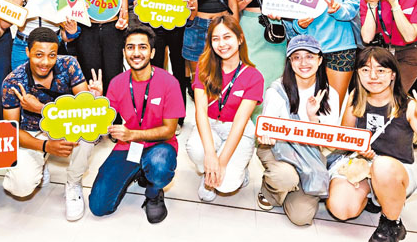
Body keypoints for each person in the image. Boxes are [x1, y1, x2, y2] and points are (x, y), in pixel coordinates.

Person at [326, 47, 417, 242]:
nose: (373, 76)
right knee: (341, 208)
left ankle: (392, 221)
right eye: (365, 70)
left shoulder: (407, 105)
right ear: (358, 74)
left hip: (395, 169)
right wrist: (358, 148)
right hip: (363, 165)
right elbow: (346, 138)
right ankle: (375, 196)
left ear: (393, 74)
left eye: (380, 70)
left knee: (382, 166)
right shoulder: (355, 97)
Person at [0, 28, 103, 221]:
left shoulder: (69, 64)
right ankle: (40, 162)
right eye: (38, 55)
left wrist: (93, 98)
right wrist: (46, 146)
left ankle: (73, 184)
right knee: (20, 187)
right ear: (28, 52)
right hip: (32, 132)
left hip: (64, 123)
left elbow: (84, 111)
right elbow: (10, 132)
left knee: (89, 132)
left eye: (52, 55)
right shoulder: (13, 82)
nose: (45, 62)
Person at [88, 26, 185, 223]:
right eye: (130, 48)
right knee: (98, 206)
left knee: (159, 164)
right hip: (128, 146)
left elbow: (169, 130)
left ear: (152, 52)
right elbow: (102, 124)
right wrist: (96, 102)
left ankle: (153, 191)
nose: (136, 53)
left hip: (160, 145)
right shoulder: (116, 83)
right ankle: (138, 170)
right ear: (124, 52)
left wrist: (132, 134)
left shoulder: (169, 83)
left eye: (142, 47)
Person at [255, 34, 341, 225]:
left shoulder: (330, 94)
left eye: (310, 56)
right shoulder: (277, 91)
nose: (303, 62)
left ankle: (295, 185)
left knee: (301, 218)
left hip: (311, 153)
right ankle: (271, 190)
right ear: (289, 62)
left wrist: (313, 119)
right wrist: (265, 135)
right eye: (297, 57)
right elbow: (265, 131)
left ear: (320, 60)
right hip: (278, 150)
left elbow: (328, 142)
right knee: (285, 177)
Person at [186, 16, 264, 201]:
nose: (221, 44)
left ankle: (238, 168)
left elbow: (239, 123)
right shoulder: (204, 68)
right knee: (196, 149)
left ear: (240, 38)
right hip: (210, 124)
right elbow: (201, 112)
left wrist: (221, 163)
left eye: (227, 37)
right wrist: (211, 156)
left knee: (227, 184)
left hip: (237, 129)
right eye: (215, 38)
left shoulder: (254, 77)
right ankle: (208, 173)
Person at [284, 0, 360, 106]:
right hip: (308, 52)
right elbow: (290, 29)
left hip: (340, 49)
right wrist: (300, 25)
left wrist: (339, 10)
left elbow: (354, 1)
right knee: (309, 105)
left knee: (333, 106)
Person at [127, 0, 187, 106]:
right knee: (156, 71)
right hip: (152, 31)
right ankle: (158, 110)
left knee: (178, 68)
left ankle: (179, 112)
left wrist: (183, 2)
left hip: (174, 28)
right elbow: (135, 6)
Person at [74, 0, 128, 96]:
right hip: (87, 33)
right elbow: (74, 14)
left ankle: (114, 116)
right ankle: (93, 116)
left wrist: (122, 22)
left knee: (113, 76)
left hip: (113, 34)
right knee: (90, 76)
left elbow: (123, 13)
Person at [235, 0, 286, 101]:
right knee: (253, 74)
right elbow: (234, 7)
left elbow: (289, 7)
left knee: (276, 74)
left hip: (274, 30)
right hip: (249, 30)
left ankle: (271, 118)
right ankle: (253, 120)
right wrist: (245, 1)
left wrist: (281, 13)